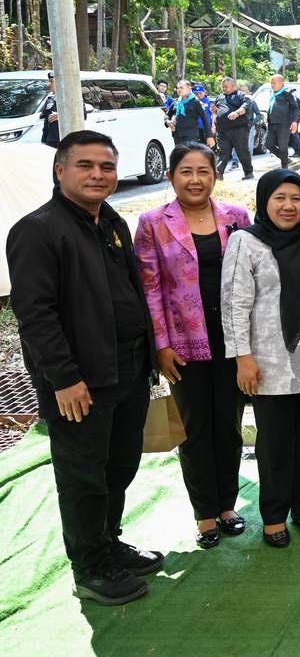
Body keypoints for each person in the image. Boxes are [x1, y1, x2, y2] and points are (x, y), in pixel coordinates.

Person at [6, 130, 163, 605]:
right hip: (81, 382)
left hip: (127, 370)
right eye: (85, 165)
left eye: (107, 167)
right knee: (83, 476)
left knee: (120, 464)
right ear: (60, 170)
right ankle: (90, 568)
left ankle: (109, 543)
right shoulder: (38, 230)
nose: (98, 175)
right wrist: (65, 378)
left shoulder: (111, 222)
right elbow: (35, 315)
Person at [133, 144, 251, 549]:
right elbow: (150, 290)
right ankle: (204, 512)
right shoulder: (153, 223)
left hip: (232, 340)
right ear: (171, 176)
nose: (195, 180)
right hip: (183, 343)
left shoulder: (236, 217)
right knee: (195, 428)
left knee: (229, 425)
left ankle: (227, 505)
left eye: (204, 171)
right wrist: (161, 345)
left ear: (215, 175)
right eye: (186, 171)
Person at [221, 170, 300, 548]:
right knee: (274, 443)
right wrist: (243, 358)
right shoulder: (245, 242)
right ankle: (274, 515)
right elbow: (234, 304)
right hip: (268, 363)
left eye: (296, 198)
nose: (289, 206)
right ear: (264, 201)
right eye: (280, 198)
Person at [213, 77, 254, 181]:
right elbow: (214, 109)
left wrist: (237, 113)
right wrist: (214, 119)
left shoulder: (241, 95)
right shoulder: (220, 97)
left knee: (242, 151)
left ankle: (248, 172)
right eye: (223, 87)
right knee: (223, 152)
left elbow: (245, 107)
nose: (224, 89)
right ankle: (219, 173)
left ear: (233, 86)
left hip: (238, 129)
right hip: (222, 130)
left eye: (226, 87)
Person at [263, 74, 300, 169]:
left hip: (284, 124)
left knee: (283, 147)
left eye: (274, 83)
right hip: (272, 124)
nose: (272, 85)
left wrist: (295, 122)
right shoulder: (274, 94)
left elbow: (295, 108)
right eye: (271, 83)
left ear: (281, 83)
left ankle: (285, 168)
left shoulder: (288, 93)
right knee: (268, 144)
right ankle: (286, 159)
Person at [168, 80, 211, 147]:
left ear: (189, 89)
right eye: (178, 88)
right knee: (180, 153)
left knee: (190, 153)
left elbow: (204, 119)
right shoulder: (176, 102)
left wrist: (209, 136)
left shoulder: (195, 102)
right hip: (177, 136)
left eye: (181, 88)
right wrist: (167, 121)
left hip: (190, 136)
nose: (179, 90)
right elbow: (167, 115)